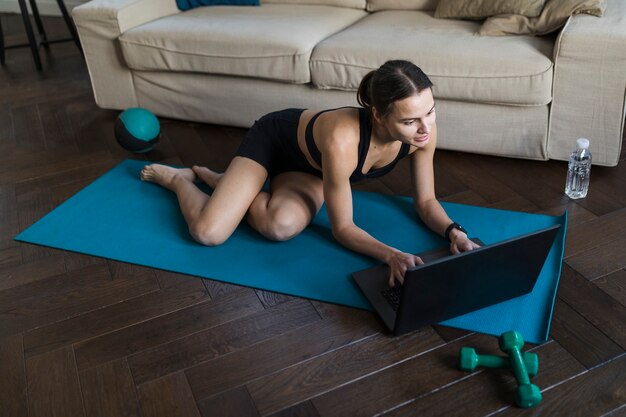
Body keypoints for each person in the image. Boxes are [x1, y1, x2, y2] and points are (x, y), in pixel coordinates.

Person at [141, 60, 479, 287]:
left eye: (430, 112)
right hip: (275, 142)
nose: (424, 128)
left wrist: (455, 233)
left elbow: (426, 201)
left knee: (279, 227)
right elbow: (343, 227)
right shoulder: (342, 140)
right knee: (207, 232)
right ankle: (179, 180)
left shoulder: (423, 134)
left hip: (309, 169)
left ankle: (225, 184)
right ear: (378, 114)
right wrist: (391, 255)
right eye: (410, 121)